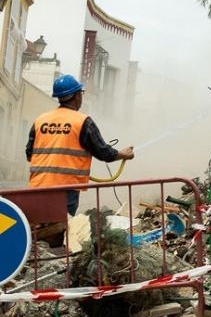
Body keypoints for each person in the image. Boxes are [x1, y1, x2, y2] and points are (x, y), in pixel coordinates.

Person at [25, 74, 134, 215]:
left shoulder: (40, 120)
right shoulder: (83, 121)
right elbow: (104, 153)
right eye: (81, 93)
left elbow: (29, 155)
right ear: (77, 95)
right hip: (66, 190)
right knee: (62, 230)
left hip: (37, 187)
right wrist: (123, 154)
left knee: (38, 228)